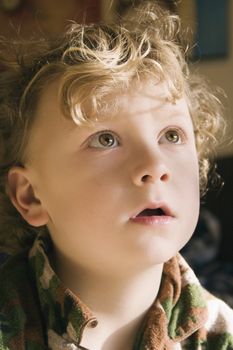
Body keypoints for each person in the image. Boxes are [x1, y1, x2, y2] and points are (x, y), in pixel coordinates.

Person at [0, 2, 232, 349]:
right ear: (31, 195)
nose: (155, 165)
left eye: (171, 135)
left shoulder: (222, 334)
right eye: (105, 139)